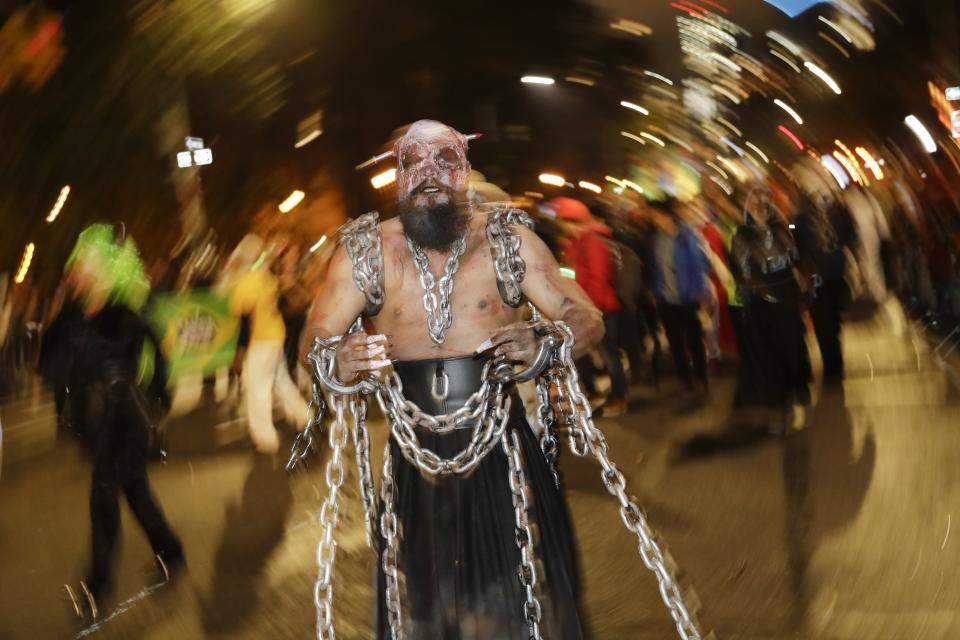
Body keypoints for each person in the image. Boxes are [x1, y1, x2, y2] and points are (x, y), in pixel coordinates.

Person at [301, 120, 603, 638]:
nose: (430, 175)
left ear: (464, 171)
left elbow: (586, 314)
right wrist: (334, 357)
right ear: (398, 177)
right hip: (412, 464)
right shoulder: (367, 250)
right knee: (423, 612)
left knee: (526, 606)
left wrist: (548, 341)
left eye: (444, 161)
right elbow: (313, 336)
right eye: (414, 165)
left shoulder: (509, 242)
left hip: (503, 453)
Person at [43, 224, 184, 619]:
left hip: (122, 424)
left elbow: (161, 358)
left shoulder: (124, 310)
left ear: (106, 267)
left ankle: (96, 590)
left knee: (102, 501)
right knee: (136, 492)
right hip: (94, 423)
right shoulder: (75, 311)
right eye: (77, 265)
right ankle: (171, 552)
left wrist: (155, 402)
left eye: (85, 264)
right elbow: (52, 364)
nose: (77, 271)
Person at [730, 188, 811, 434]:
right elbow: (743, 275)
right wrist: (751, 298)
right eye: (754, 205)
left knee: (794, 354)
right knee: (771, 360)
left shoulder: (783, 231)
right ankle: (780, 407)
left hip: (787, 304)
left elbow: (797, 261)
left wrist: (803, 288)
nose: (760, 209)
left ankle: (800, 395)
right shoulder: (742, 238)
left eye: (764, 204)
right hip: (763, 309)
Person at [225, 234, 310, 453]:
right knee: (280, 380)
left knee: (258, 388)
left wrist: (239, 351)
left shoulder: (245, 283)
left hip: (260, 341)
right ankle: (303, 415)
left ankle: (265, 437)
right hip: (275, 336)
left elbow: (245, 322)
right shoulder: (266, 278)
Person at [551, 196, 628, 416]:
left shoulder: (592, 242)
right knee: (578, 352)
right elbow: (570, 273)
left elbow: (598, 277)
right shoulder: (572, 243)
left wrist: (588, 308)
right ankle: (594, 391)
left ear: (573, 220)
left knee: (609, 355)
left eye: (563, 221)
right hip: (582, 306)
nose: (561, 226)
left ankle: (618, 398)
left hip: (600, 307)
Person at [794, 190, 856, 381]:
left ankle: (834, 361)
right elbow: (797, 247)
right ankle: (832, 365)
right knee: (824, 322)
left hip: (834, 275)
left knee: (833, 321)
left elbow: (850, 238)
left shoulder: (838, 214)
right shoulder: (801, 219)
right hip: (817, 277)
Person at [650, 198, 710, 394]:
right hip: (666, 299)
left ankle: (700, 376)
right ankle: (684, 377)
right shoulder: (657, 238)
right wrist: (657, 292)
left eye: (656, 215)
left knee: (694, 339)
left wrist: (698, 292)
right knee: (675, 341)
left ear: (666, 215)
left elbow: (698, 265)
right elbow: (657, 268)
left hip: (687, 297)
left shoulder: (687, 235)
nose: (653, 219)